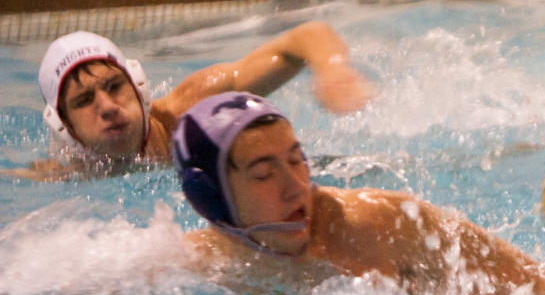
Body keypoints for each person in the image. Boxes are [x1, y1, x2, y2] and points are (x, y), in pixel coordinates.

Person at [171, 92, 545, 295]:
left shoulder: (379, 224)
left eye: (297, 160)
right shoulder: (200, 266)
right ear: (213, 198)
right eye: (263, 173)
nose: (296, 187)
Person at [16, 22, 371, 180]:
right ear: (64, 126)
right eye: (84, 100)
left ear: (138, 86)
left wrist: (333, 70)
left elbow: (308, 36)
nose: (108, 106)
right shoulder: (69, 175)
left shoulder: (193, 109)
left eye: (114, 86)